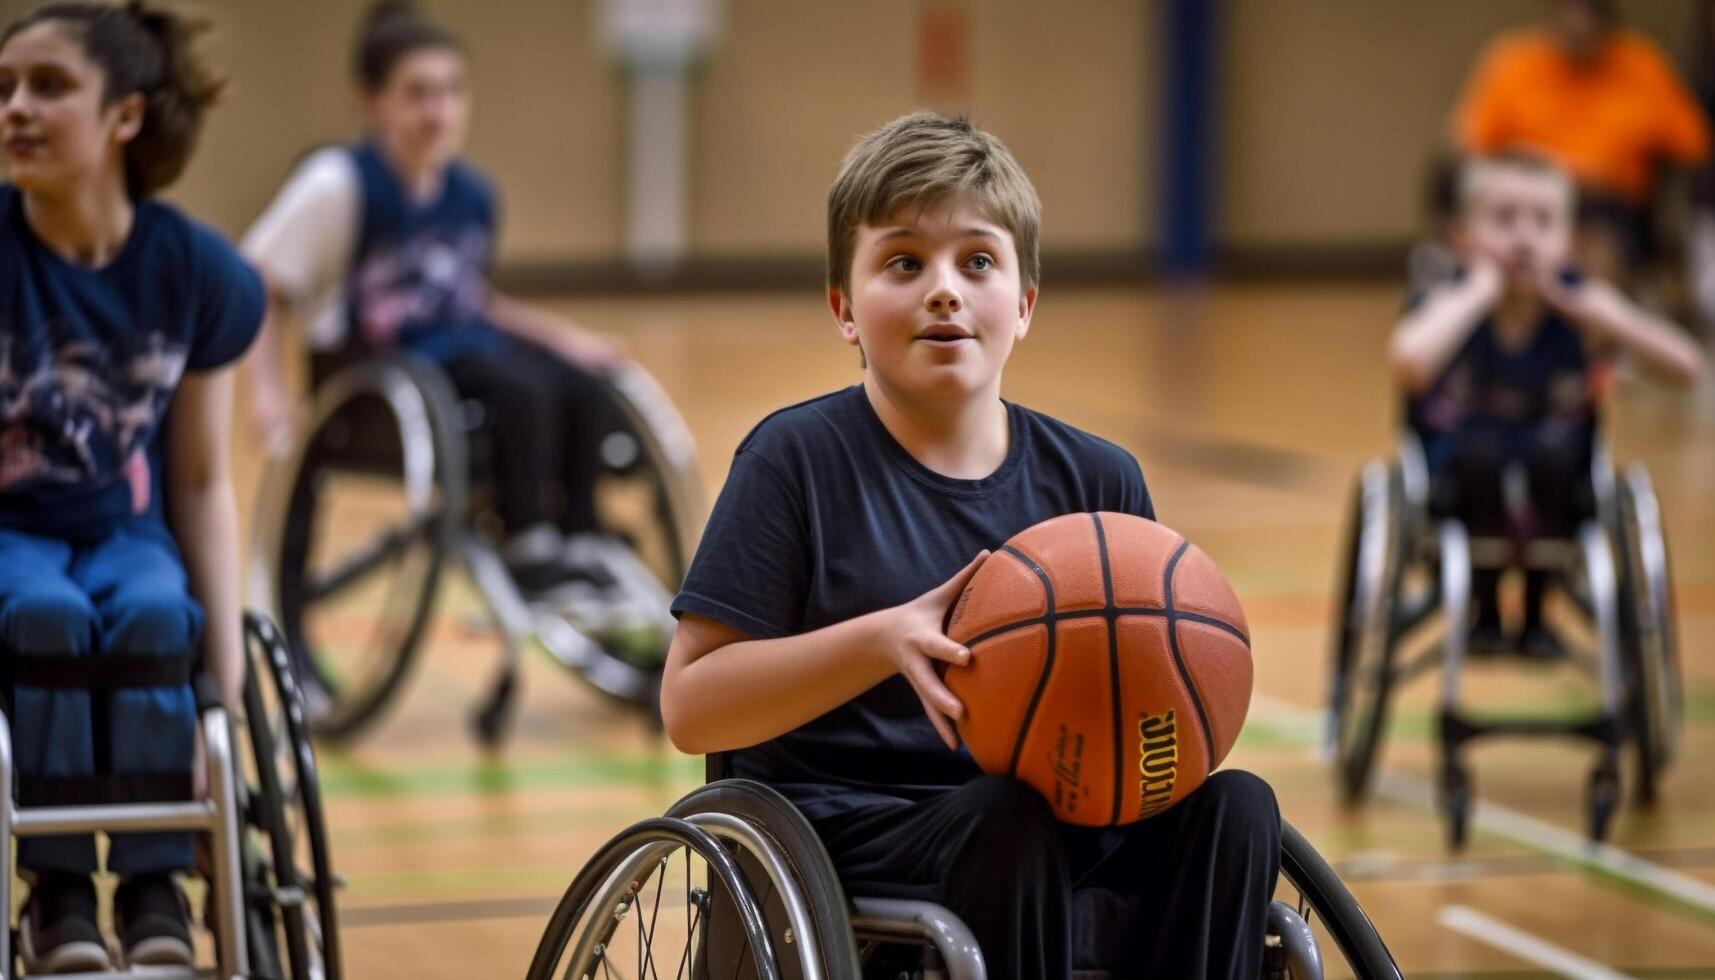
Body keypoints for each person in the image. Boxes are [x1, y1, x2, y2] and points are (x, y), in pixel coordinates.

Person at [661, 112, 1280, 979]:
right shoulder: (794, 461)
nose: (944, 289)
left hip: (1060, 810)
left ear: (1023, 305)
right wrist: (881, 640)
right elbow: (690, 707)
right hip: (843, 832)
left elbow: (1152, 711)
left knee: (1239, 807)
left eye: (977, 261)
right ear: (844, 308)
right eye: (904, 262)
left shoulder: (1099, 482)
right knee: (1005, 818)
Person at [0, 2, 263, 970]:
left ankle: (156, 882)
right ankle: (59, 890)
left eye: (48, 85)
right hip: (12, 532)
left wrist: (225, 704)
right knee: (39, 607)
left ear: (126, 116)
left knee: (158, 609)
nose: (15, 109)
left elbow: (199, 480)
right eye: (4, 89)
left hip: (125, 530)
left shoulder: (196, 271)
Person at [241, 0, 639, 600]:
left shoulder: (474, 193)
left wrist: (566, 338)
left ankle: (582, 538)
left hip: (458, 348)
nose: (440, 111)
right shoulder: (339, 184)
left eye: (452, 91)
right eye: (418, 93)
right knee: (522, 393)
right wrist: (268, 393)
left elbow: (470, 298)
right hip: (379, 369)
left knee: (583, 384)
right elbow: (258, 278)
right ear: (373, 101)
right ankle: (529, 543)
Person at [1390, 152, 1703, 657]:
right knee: (1480, 454)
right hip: (1459, 485)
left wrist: (1604, 317)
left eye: (1542, 221)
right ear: (1462, 236)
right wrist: (1478, 292)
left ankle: (1538, 611)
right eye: (1504, 219)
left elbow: (1687, 367)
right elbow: (1408, 361)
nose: (1523, 236)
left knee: (1558, 456)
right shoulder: (1452, 300)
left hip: (1560, 481)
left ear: (1568, 241)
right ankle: (1484, 609)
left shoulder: (1584, 306)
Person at [1452, 0, 1710, 283]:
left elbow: (1691, 143)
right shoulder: (1516, 61)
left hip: (1607, 204)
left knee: (1599, 249)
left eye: (1587, 15)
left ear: (1606, 22)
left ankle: (1590, 321)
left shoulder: (1639, 65)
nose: (1578, 26)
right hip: (1527, 190)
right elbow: (1469, 142)